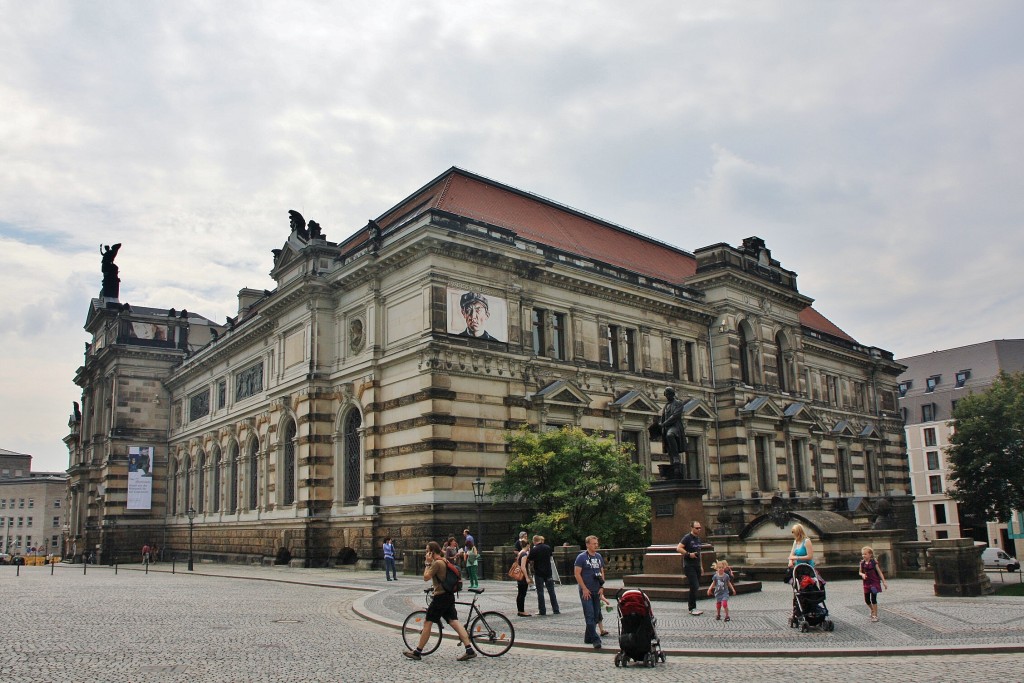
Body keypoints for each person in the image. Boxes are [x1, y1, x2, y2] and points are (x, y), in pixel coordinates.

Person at [403, 541, 477, 661]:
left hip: (440, 598)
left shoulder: (437, 563)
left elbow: (426, 577)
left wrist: (427, 563)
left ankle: (417, 652)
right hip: (448, 596)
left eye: (427, 551)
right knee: (454, 622)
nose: (426, 553)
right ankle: (469, 650)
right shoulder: (444, 560)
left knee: (428, 622)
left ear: (432, 551)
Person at [574, 535, 606, 649]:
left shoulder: (598, 556)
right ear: (587, 545)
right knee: (589, 614)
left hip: (596, 589)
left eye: (596, 543)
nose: (596, 545)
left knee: (596, 614)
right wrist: (584, 588)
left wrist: (602, 587)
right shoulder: (581, 557)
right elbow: (577, 573)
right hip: (586, 591)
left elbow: (602, 571)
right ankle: (595, 639)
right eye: (593, 543)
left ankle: (588, 636)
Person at [676, 520, 704, 616]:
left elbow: (700, 554)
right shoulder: (687, 537)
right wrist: (688, 554)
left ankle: (693, 607)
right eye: (697, 528)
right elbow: (679, 548)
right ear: (691, 528)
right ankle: (692, 608)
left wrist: (701, 566)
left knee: (694, 587)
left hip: (697, 565)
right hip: (689, 565)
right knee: (694, 585)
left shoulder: (698, 539)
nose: (699, 529)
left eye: (700, 527)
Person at [527, 535, 560, 616]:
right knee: (551, 591)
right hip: (548, 572)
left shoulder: (534, 549)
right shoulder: (547, 547)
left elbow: (529, 559)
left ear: (534, 541)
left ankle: (542, 610)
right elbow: (550, 557)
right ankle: (556, 609)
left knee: (540, 592)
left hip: (539, 573)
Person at [859, 546, 888, 622]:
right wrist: (862, 575)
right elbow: (860, 572)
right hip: (866, 583)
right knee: (867, 600)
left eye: (865, 554)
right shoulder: (862, 563)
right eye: (863, 554)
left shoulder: (874, 563)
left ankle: (875, 615)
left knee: (873, 599)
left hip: (874, 583)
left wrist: (884, 581)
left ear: (870, 555)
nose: (863, 555)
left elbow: (879, 572)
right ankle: (872, 610)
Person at [660, 387, 686, 469]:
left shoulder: (679, 403)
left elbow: (675, 416)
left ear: (672, 394)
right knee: (668, 443)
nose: (667, 396)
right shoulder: (666, 405)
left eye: (668, 394)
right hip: (666, 427)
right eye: (666, 395)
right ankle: (673, 460)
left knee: (670, 435)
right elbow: (663, 417)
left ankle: (676, 457)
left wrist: (664, 423)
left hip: (675, 426)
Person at [515, 542, 532, 616]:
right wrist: (527, 577)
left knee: (520, 593)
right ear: (527, 545)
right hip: (522, 576)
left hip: (519, 576)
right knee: (522, 594)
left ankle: (520, 610)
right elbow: (523, 567)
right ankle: (521, 611)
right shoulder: (524, 554)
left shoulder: (520, 553)